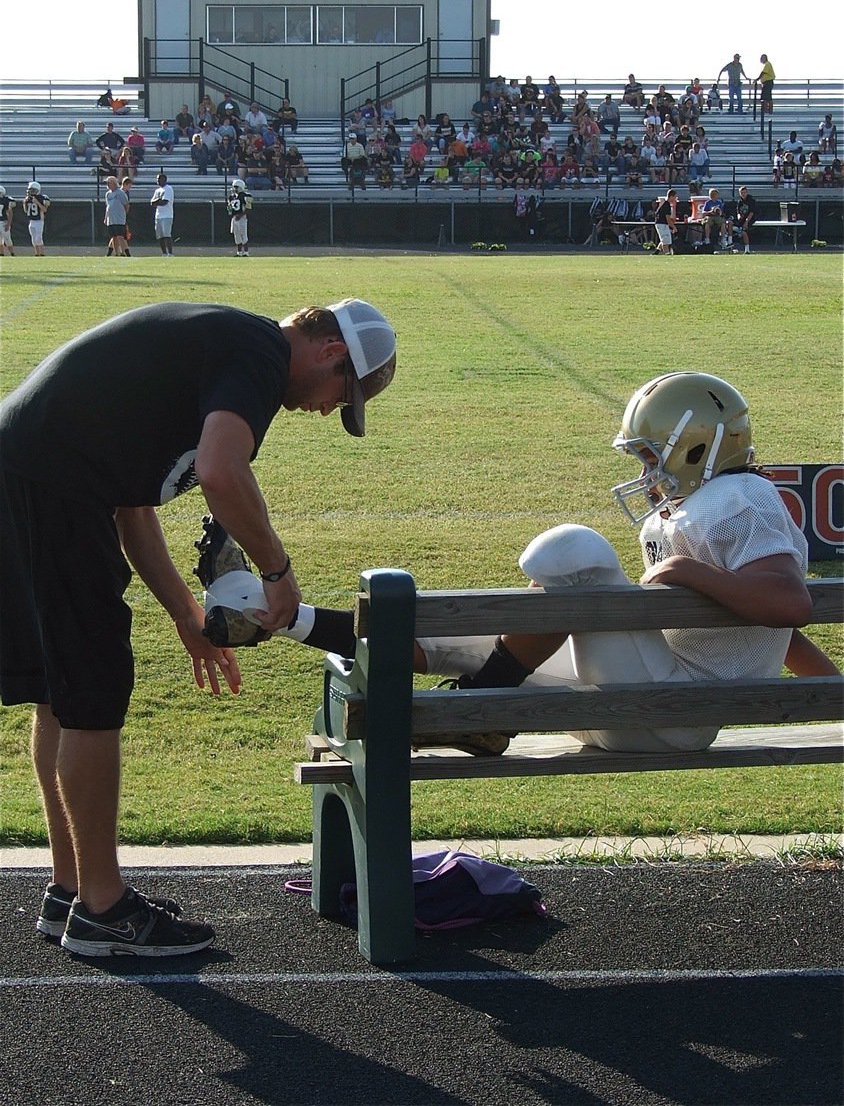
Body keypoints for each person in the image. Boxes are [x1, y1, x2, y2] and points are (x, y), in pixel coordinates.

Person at [0, 297, 397, 955]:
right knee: (92, 696)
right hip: (49, 484)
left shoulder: (218, 346)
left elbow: (133, 504)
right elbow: (219, 470)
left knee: (61, 691)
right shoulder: (260, 354)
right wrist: (277, 570)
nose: (328, 410)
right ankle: (103, 911)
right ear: (331, 351)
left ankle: (73, 890)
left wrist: (186, 613)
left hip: (29, 472)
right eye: (342, 394)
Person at [203, 373, 835, 758]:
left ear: (698, 447)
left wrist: (684, 574)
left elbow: (787, 602)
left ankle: (483, 706)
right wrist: (833, 694)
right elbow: (771, 626)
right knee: (474, 640)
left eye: (650, 455)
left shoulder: (738, 496)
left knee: (577, 555)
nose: (643, 472)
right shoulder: (698, 508)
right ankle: (271, 617)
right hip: (650, 703)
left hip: (668, 710)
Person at [103, 176, 130, 257]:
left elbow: (126, 205)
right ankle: (116, 253)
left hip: (119, 219)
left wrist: (123, 214)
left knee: (120, 236)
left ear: (114, 183)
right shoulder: (108, 194)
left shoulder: (120, 193)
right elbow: (107, 206)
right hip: (111, 219)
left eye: (109, 182)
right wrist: (106, 217)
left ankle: (123, 252)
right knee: (114, 236)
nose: (108, 184)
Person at [150, 172, 175, 255]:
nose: (157, 181)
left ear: (164, 180)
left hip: (167, 215)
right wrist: (158, 201)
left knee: (166, 234)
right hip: (158, 215)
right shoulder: (157, 190)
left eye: (159, 179)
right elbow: (152, 203)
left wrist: (157, 201)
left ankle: (170, 253)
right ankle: (164, 253)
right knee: (160, 235)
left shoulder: (168, 189)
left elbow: (164, 202)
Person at [23, 180, 49, 255]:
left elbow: (44, 209)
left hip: (39, 221)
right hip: (31, 221)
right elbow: (26, 211)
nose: (30, 191)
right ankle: (36, 254)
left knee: (38, 238)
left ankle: (42, 253)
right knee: (33, 239)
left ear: (37, 190)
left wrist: (37, 202)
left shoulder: (41, 198)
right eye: (30, 190)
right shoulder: (28, 199)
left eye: (32, 190)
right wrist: (24, 203)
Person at [227, 177, 252, 255]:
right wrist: (230, 210)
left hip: (242, 218)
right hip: (234, 218)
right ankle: (239, 252)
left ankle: (246, 252)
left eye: (236, 187)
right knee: (236, 235)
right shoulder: (232, 197)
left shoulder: (245, 196)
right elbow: (230, 208)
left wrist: (240, 215)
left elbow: (248, 209)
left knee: (243, 234)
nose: (234, 188)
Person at [734, 184, 757, 253]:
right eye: (741, 193)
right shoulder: (739, 202)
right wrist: (739, 216)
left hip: (751, 218)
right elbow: (738, 211)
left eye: (744, 192)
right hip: (742, 219)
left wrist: (746, 222)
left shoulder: (751, 200)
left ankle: (747, 249)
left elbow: (751, 213)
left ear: (747, 192)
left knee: (744, 231)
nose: (743, 194)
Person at [654, 190, 678, 254]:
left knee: (665, 239)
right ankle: (667, 253)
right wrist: (674, 227)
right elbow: (668, 219)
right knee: (665, 241)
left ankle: (656, 252)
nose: (675, 199)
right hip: (662, 224)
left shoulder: (663, 203)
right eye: (675, 197)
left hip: (660, 224)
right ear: (671, 196)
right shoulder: (666, 205)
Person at [0, 186, 15, 255]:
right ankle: (1, 254)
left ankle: (12, 253)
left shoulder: (5, 200)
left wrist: (8, 224)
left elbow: (10, 213)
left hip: (3, 222)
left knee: (7, 239)